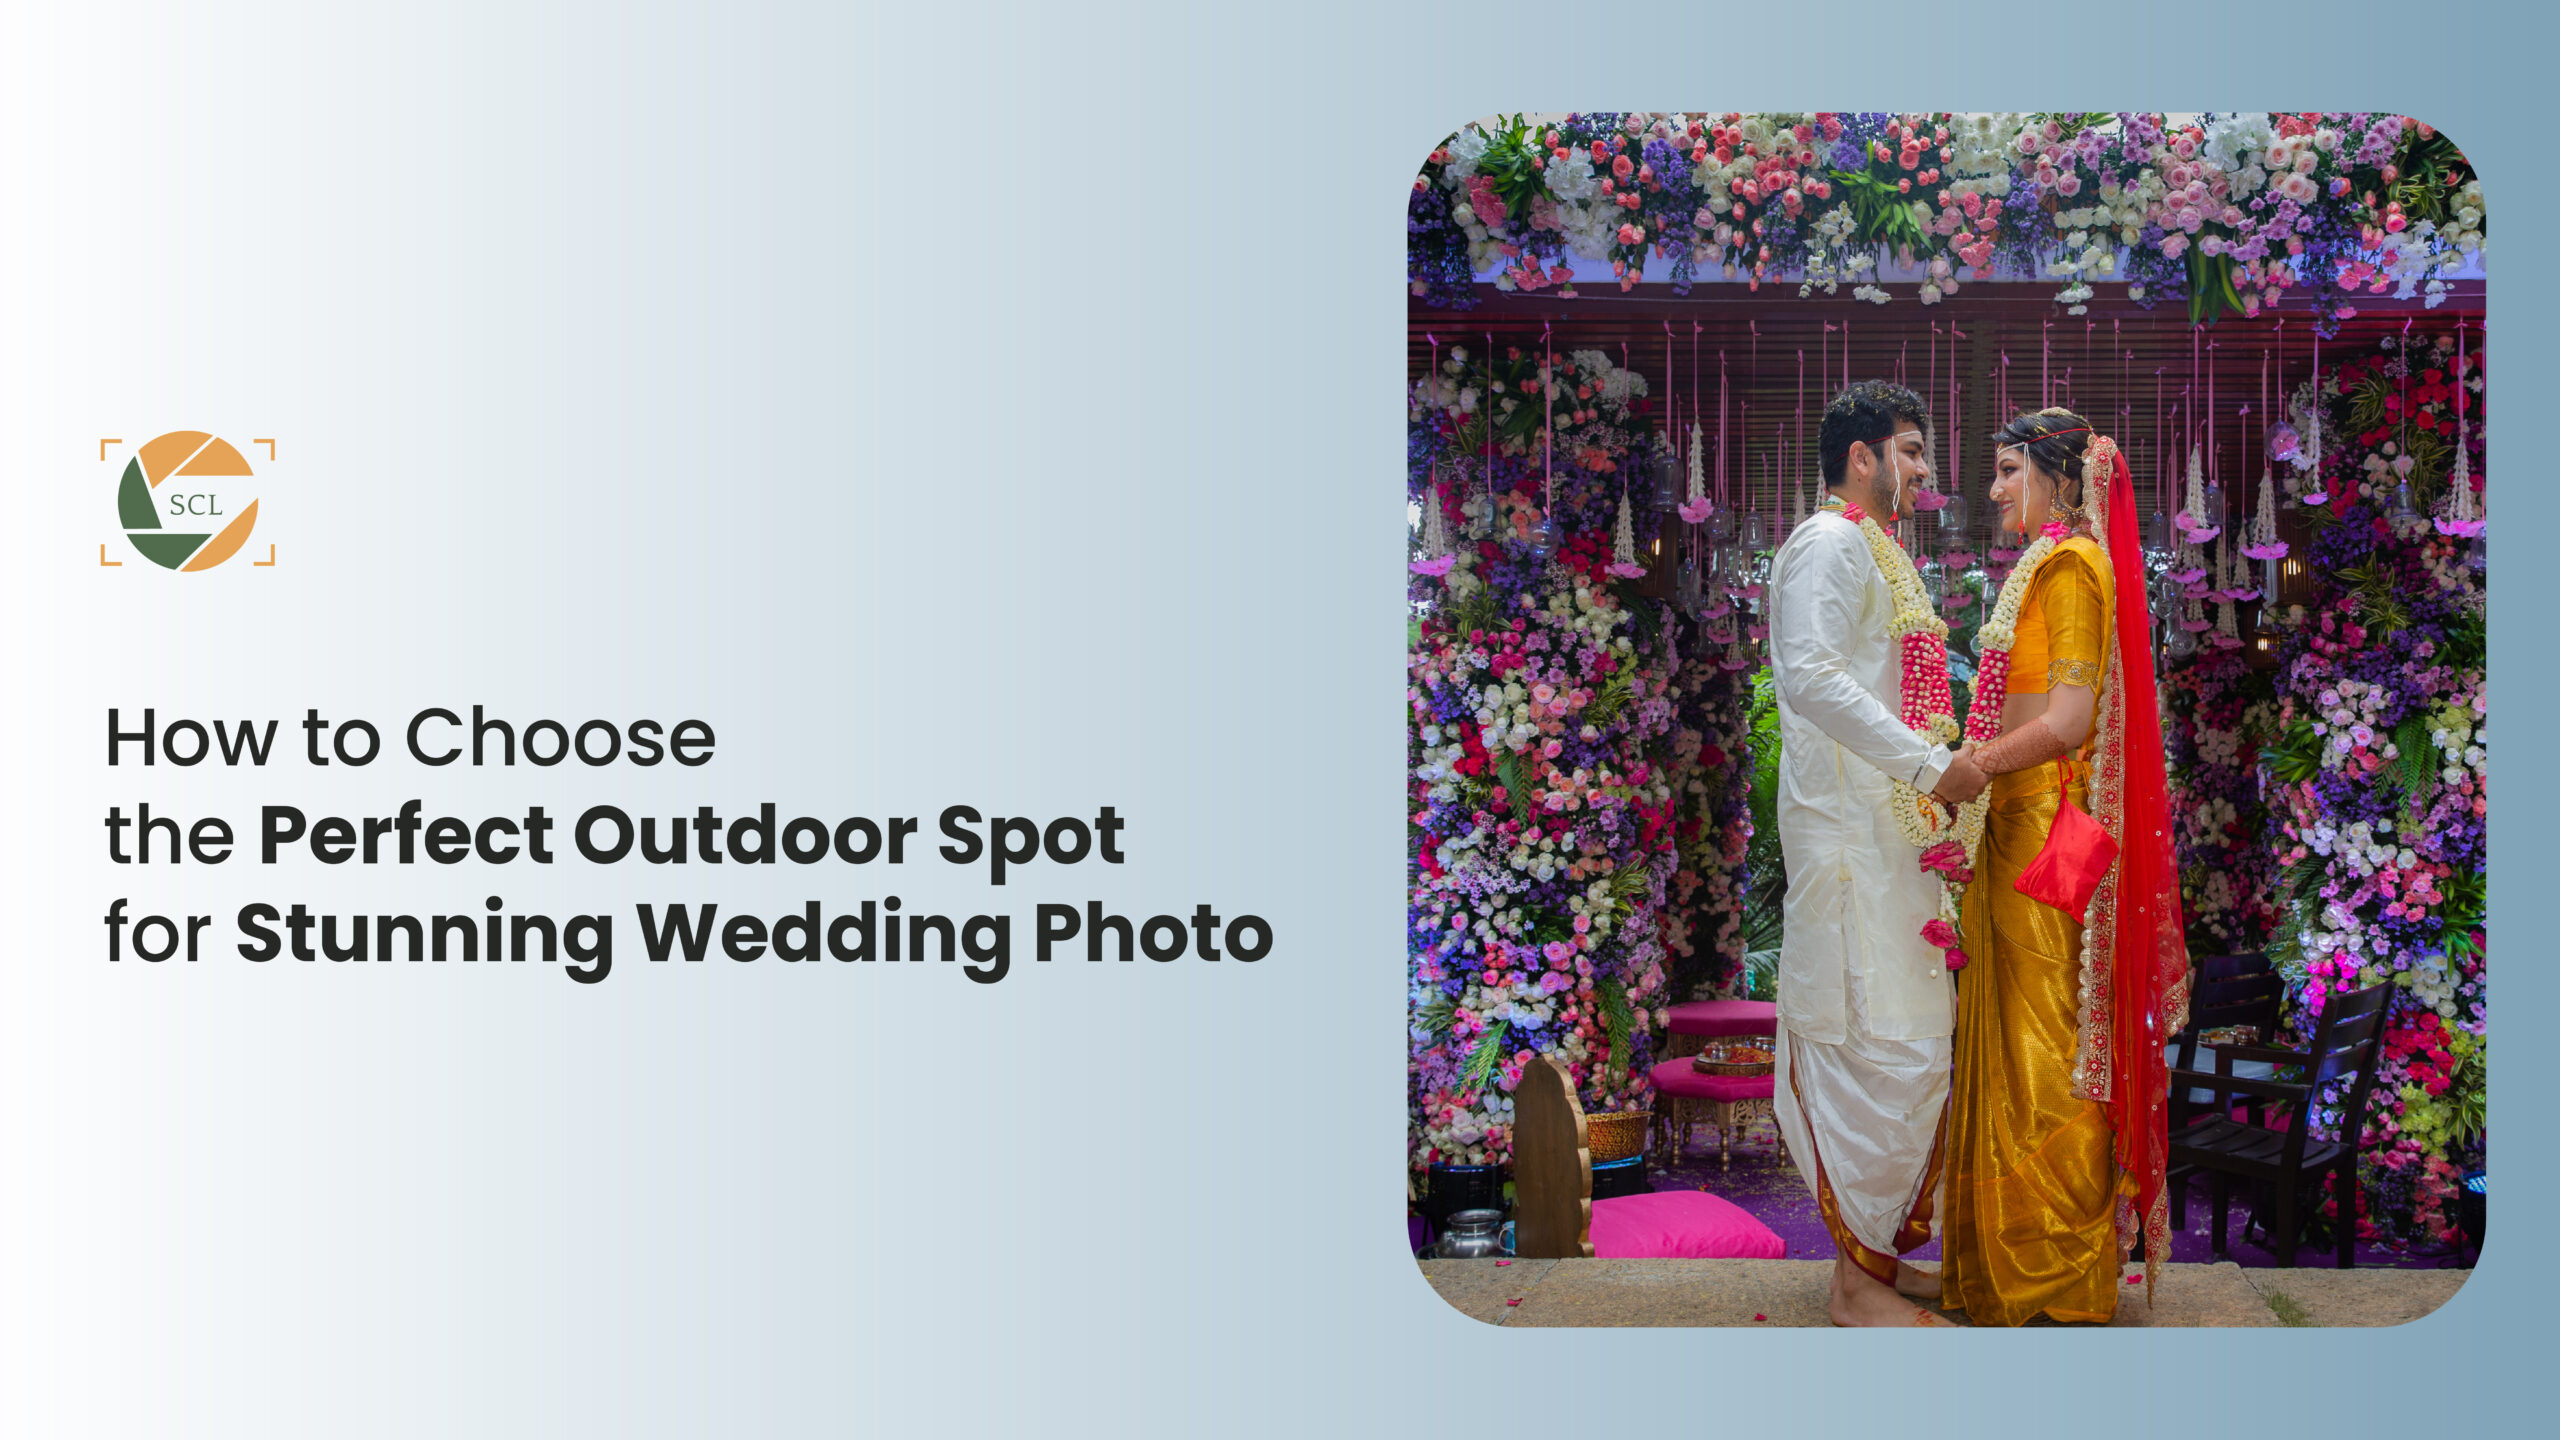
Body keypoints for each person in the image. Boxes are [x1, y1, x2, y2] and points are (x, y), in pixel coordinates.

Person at [1937, 408, 2188, 1327]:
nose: (1994, 488)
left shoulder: (2075, 566)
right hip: (2016, 820)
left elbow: (2072, 721)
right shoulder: (2044, 566)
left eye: (2008, 471)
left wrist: (1975, 768)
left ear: (2061, 481)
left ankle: (2053, 1269)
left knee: (2047, 1046)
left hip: (2044, 825)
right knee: (2007, 1037)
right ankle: (2000, 1261)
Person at [1766, 380, 1988, 1328]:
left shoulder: (1877, 552)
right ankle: (1857, 1284)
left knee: (1910, 1038)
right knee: (1872, 1039)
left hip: (1889, 835)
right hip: (1851, 838)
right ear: (1862, 456)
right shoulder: (1829, 544)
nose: (1924, 472)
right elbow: (1809, 675)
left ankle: (1874, 1262)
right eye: (1909, 450)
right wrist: (1931, 766)